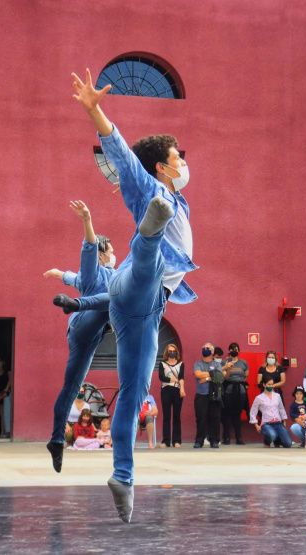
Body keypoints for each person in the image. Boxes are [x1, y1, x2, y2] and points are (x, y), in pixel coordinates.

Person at [71, 68, 199, 523]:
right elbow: (124, 156)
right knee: (148, 258)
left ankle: (122, 478)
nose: (184, 163)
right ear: (162, 167)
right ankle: (147, 236)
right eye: (177, 158)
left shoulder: (178, 201)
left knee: (133, 392)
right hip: (134, 278)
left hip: (141, 311)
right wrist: (94, 109)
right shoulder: (148, 185)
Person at [45, 199, 117, 471]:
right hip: (82, 322)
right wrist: (87, 219)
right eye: (110, 250)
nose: (114, 254)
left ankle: (55, 441)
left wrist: (57, 273)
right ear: (102, 254)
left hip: (88, 341)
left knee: (71, 388)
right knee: (115, 298)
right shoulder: (94, 271)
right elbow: (89, 249)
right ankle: (76, 304)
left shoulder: (112, 274)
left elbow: (70, 277)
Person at [193, 344, 223, 449]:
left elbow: (219, 376)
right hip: (201, 395)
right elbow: (197, 374)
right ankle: (199, 441)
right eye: (203, 348)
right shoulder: (198, 363)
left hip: (214, 395)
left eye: (208, 348)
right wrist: (212, 374)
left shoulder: (217, 364)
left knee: (215, 418)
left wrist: (205, 378)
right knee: (201, 418)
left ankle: (214, 440)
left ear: (212, 351)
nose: (205, 350)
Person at [221, 342, 248, 446]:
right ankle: (226, 437)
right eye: (232, 349)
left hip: (240, 390)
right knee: (227, 415)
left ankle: (239, 438)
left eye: (236, 349)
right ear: (229, 351)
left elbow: (246, 376)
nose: (234, 350)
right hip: (228, 389)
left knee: (237, 414)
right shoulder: (224, 362)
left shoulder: (244, 363)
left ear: (239, 351)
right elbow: (225, 377)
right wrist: (229, 369)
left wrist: (240, 381)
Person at [158, 344, 185, 447]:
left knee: (177, 416)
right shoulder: (162, 364)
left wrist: (182, 388)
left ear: (176, 352)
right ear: (167, 352)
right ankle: (166, 440)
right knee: (166, 416)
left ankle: (177, 440)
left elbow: (182, 377)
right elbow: (162, 377)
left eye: (173, 351)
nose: (172, 353)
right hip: (166, 390)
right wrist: (174, 379)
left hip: (177, 390)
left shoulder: (181, 364)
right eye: (170, 351)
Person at [249, 383, 291, 448]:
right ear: (264, 385)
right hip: (266, 423)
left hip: (278, 422)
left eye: (272, 384)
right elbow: (253, 411)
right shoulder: (259, 398)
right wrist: (256, 424)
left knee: (288, 443)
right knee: (272, 435)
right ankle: (267, 442)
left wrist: (284, 420)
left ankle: (277, 441)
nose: (270, 386)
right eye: (269, 384)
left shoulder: (277, 396)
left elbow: (281, 408)